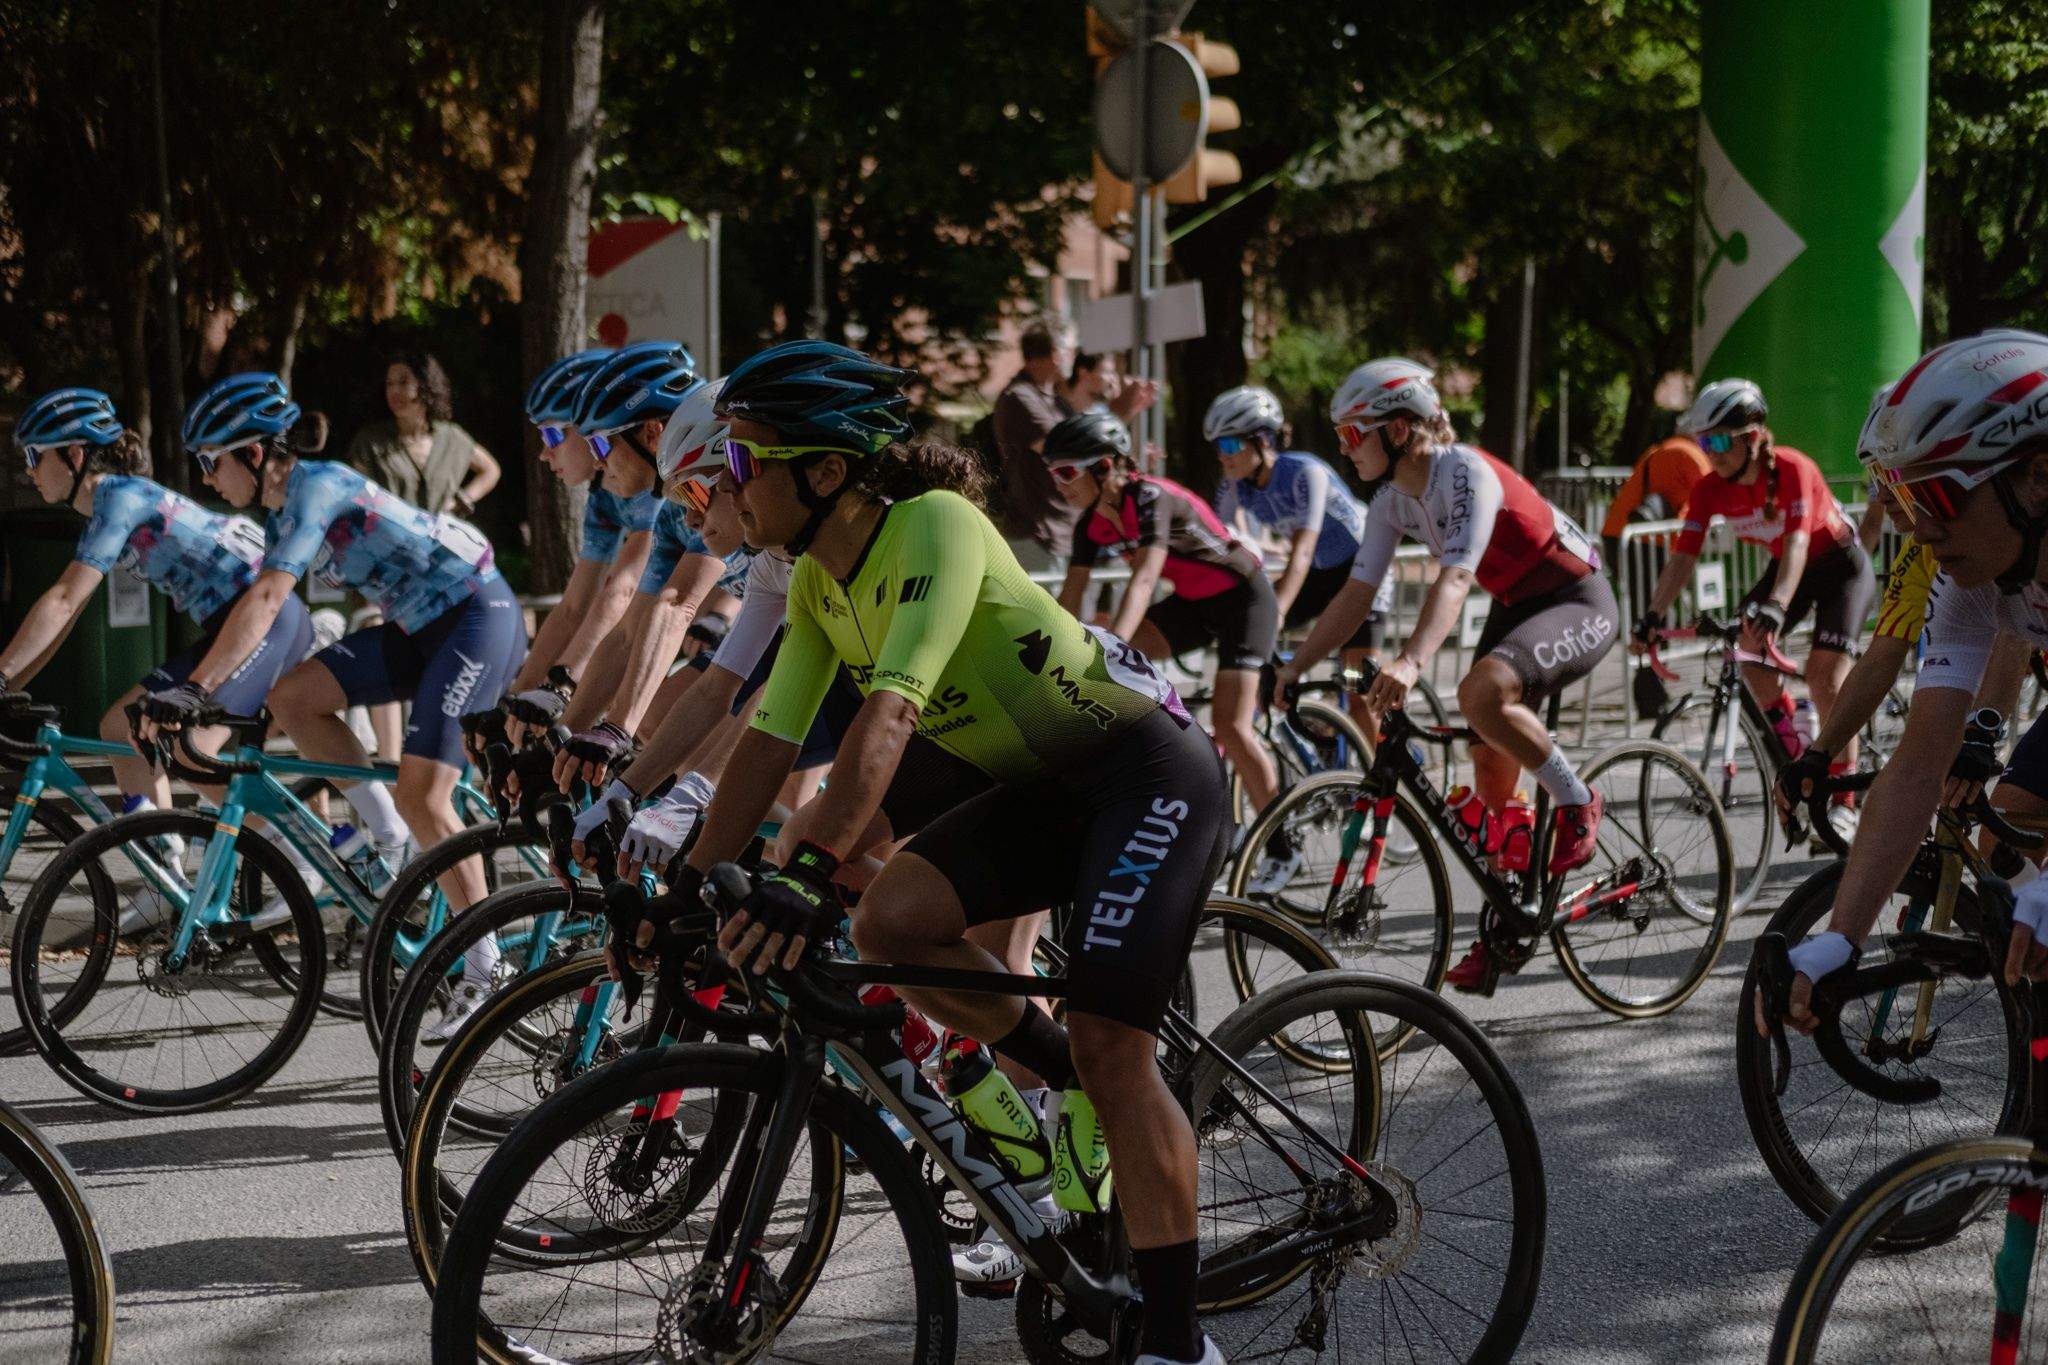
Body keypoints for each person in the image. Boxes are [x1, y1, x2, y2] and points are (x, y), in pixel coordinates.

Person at [634, 339, 1226, 1365]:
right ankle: (1061, 1084)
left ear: (824, 471)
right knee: (888, 922)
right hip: (1034, 782)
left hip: (1142, 772)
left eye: (742, 461)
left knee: (1111, 1044)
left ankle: (1178, 1344)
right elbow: (770, 745)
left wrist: (800, 878)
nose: (726, 486)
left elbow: (887, 727)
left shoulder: (934, 527)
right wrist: (683, 889)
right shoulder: (816, 581)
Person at [138, 371, 527, 1026]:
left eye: (211, 461)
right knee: (293, 698)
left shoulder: (317, 485)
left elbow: (266, 599)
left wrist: (196, 686)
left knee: (425, 793)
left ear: (255, 454)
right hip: (418, 627)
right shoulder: (285, 507)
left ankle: (487, 964)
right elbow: (272, 599)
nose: (206, 478)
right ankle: (387, 832)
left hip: (474, 617)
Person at [1276, 357, 1617, 996]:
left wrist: (1410, 662)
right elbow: (1356, 594)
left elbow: (1456, 577)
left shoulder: (1463, 472)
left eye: (1353, 435)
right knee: (1485, 757)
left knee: (1479, 694)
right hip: (1519, 604)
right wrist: (1296, 663)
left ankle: (1577, 800)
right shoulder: (1390, 502)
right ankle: (1505, 919)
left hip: (1576, 597)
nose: (1345, 450)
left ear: (1399, 429)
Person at [1759, 329, 2048, 1032]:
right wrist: (1841, 936)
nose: (1916, 531)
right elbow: (1917, 765)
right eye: (1905, 500)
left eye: (1938, 499)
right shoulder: (1971, 576)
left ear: (2037, 476)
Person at [0, 386, 313, 817]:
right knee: (119, 726)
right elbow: (67, 615)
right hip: (242, 623)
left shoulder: (119, 498)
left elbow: (63, 601)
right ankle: (163, 849)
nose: (29, 471)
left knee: (188, 748)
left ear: (74, 456)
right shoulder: (111, 503)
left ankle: (286, 848)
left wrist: (1, 675)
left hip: (264, 620)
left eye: (35, 456)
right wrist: (10, 686)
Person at [1634, 379, 1876, 788]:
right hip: (1788, 568)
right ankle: (1794, 735)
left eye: (1720, 445)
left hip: (1841, 568)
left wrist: (1778, 605)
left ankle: (1844, 796)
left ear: (1752, 438)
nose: (1712, 457)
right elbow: (1683, 557)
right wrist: (1653, 615)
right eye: (1704, 445)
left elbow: (1798, 541)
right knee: (1744, 646)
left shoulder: (1793, 468)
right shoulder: (1710, 489)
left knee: (1825, 675)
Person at [1051, 410, 1281, 823]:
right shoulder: (1090, 524)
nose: (1058, 483)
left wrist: (1112, 648)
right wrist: (1057, 651)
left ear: (1104, 466)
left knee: (1231, 725)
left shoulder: (1151, 497)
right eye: (1052, 473)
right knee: (1101, 667)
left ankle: (1281, 842)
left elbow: (1143, 580)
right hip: (1194, 604)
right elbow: (1071, 592)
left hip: (1245, 599)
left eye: (1066, 472)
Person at [498, 348, 665, 745]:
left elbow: (622, 589)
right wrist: (516, 699)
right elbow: (573, 608)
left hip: (719, 616)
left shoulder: (651, 486)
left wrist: (560, 682)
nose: (543, 452)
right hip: (666, 623)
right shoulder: (605, 496)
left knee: (651, 727)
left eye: (553, 435)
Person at [345, 351, 502, 762]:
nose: (394, 391)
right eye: (389, 383)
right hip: (387, 566)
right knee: (382, 644)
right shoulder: (372, 441)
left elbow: (491, 469)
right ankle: (392, 759)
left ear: (425, 387)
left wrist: (462, 500)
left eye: (403, 381)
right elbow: (353, 496)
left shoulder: (452, 438)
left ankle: (449, 753)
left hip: (445, 566)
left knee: (445, 651)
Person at [1207, 383, 1391, 665]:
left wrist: (1277, 611)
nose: (1223, 455)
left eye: (1230, 444)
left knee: (1358, 683)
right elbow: (1224, 549)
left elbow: (1303, 551)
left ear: (1264, 440)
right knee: (1248, 625)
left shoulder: (1305, 473)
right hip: (1320, 574)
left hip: (1362, 568)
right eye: (1217, 447)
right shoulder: (1234, 486)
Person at [990, 320, 1156, 573]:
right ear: (1054, 354)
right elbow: (1066, 449)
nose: (1074, 355)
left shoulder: (1053, 400)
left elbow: (1089, 456)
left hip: (1061, 533)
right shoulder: (1020, 398)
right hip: (1037, 535)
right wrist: (1118, 414)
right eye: (1068, 349)